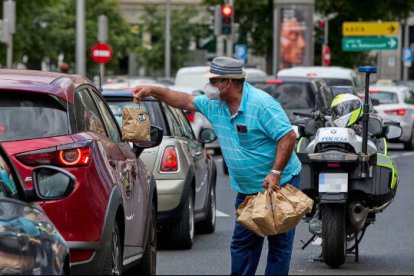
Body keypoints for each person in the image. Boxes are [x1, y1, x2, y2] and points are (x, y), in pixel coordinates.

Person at [132, 57, 301, 275]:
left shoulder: (261, 104)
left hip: (279, 184)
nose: (210, 86)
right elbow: (184, 101)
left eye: (214, 81)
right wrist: (152, 91)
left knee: (279, 245)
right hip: (249, 189)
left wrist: (275, 172)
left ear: (228, 82)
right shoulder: (215, 105)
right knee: (243, 244)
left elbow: (287, 137)